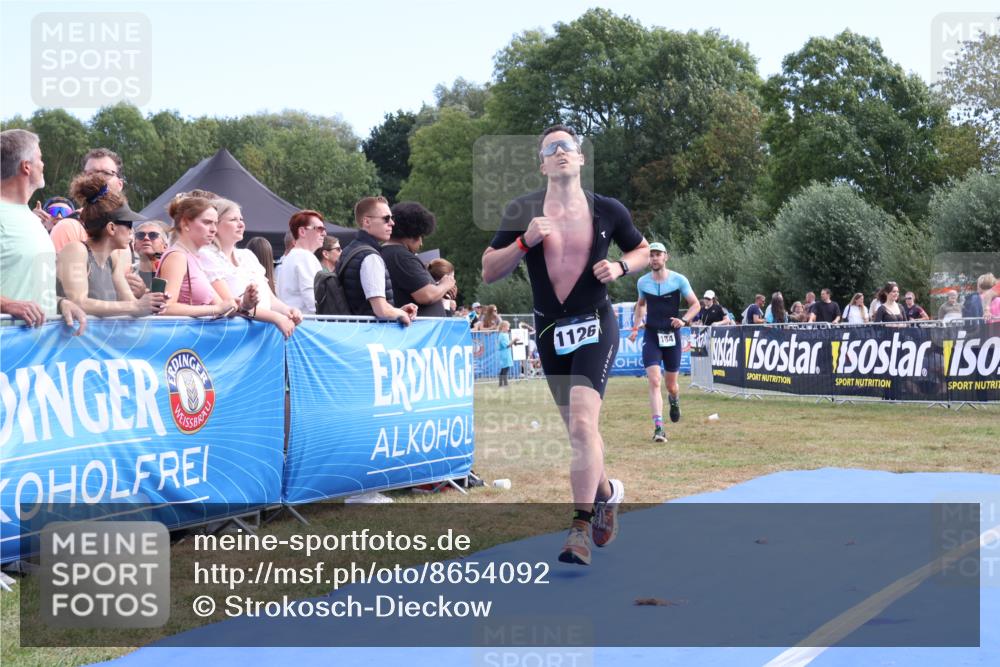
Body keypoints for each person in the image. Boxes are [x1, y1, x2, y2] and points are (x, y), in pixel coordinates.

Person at [481, 124, 650, 566]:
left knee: (581, 424)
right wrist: (523, 241)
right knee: (579, 434)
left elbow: (643, 251)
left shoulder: (608, 209)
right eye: (549, 149)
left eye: (566, 147)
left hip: (595, 322)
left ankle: (579, 526)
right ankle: (608, 493)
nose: (559, 153)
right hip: (548, 330)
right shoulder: (523, 210)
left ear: (580, 159)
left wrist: (620, 267)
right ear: (541, 164)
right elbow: (488, 271)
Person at [0, 129, 87, 333]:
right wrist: (7, 305)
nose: (44, 164)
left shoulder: (31, 218)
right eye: (40, 158)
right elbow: (16, 301)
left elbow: (29, 286)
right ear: (26, 167)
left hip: (35, 356)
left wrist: (60, 304)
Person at [57, 173, 165, 317]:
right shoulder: (76, 250)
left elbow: (132, 303)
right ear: (111, 228)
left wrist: (152, 303)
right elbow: (79, 302)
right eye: (128, 224)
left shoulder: (112, 258)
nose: (131, 231)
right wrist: (135, 306)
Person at [627, 242, 699, 443]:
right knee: (654, 380)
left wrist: (684, 320)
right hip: (651, 335)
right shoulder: (643, 282)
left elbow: (695, 304)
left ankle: (674, 400)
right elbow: (640, 306)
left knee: (671, 385)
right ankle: (659, 427)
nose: (654, 258)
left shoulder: (678, 280)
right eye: (651, 255)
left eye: (658, 255)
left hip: (672, 335)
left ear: (666, 257)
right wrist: (635, 327)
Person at [200, 198, 302, 337]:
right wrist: (276, 318)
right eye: (233, 220)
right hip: (232, 337)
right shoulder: (207, 256)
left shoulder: (248, 256)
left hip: (262, 336)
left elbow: (270, 299)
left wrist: (288, 311)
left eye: (241, 219)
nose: (241, 224)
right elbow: (230, 305)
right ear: (215, 225)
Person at [157, 193, 256, 318]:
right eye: (207, 222)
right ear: (185, 224)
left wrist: (245, 305)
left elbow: (223, 307)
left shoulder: (193, 257)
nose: (214, 229)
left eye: (215, 223)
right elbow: (165, 307)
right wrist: (216, 308)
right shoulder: (177, 256)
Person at [338, 195, 418, 323]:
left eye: (392, 218)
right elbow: (381, 310)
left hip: (355, 331)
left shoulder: (349, 250)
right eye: (386, 218)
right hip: (369, 334)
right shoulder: (370, 257)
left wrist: (397, 311)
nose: (392, 223)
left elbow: (363, 305)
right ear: (367, 222)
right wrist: (401, 313)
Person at [382, 201, 456, 317]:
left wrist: (439, 290)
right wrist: (445, 284)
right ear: (413, 233)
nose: (421, 243)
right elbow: (426, 296)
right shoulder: (401, 257)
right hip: (421, 331)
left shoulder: (389, 253)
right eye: (421, 236)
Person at [50, 148, 126, 252]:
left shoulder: (127, 232)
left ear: (120, 184)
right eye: (90, 174)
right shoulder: (69, 228)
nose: (98, 178)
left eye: (106, 173)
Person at [275, 210, 326, 313]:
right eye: (319, 229)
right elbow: (313, 300)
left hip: (295, 322)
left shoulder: (290, 257)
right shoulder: (305, 256)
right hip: (307, 324)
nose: (324, 233)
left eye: (324, 229)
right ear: (302, 231)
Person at [133, 220, 169, 289]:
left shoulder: (174, 272)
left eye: (153, 235)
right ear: (134, 245)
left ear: (165, 246)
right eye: (140, 235)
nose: (146, 238)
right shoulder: (127, 272)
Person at [497, 320, 513, 387]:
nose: (508, 328)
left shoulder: (505, 334)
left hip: (507, 353)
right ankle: (504, 383)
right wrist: (514, 341)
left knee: (505, 368)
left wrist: (513, 343)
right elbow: (506, 345)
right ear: (503, 327)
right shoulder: (502, 335)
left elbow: (508, 344)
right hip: (504, 354)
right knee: (505, 369)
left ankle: (502, 383)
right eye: (507, 327)